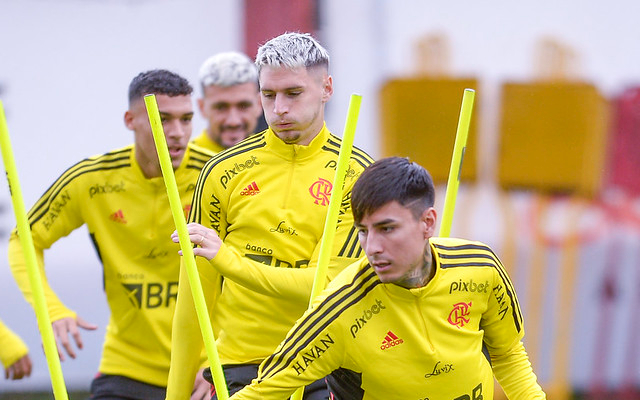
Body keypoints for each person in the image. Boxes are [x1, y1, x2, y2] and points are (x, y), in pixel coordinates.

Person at [228, 157, 547, 399]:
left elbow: (508, 355)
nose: (372, 248)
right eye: (363, 232)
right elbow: (261, 393)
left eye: (387, 228)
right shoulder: (339, 310)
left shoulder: (481, 268)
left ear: (428, 222)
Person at [165, 32, 374, 400]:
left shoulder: (357, 174)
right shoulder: (221, 171)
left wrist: (230, 261)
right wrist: (176, 393)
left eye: (293, 94)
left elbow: (327, 284)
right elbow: (194, 297)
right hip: (241, 365)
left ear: (326, 88)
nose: (278, 109)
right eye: (268, 95)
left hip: (322, 362)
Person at [8, 70, 214, 400]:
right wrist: (51, 309)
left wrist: (225, 359)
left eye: (186, 119)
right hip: (128, 367)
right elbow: (24, 239)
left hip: (206, 369)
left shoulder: (215, 173)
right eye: (163, 120)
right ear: (130, 119)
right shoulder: (93, 179)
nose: (177, 133)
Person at [192, 51, 264, 153]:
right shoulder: (176, 163)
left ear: (259, 104)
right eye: (221, 107)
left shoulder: (279, 160)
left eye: (243, 106)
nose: (233, 121)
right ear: (202, 107)